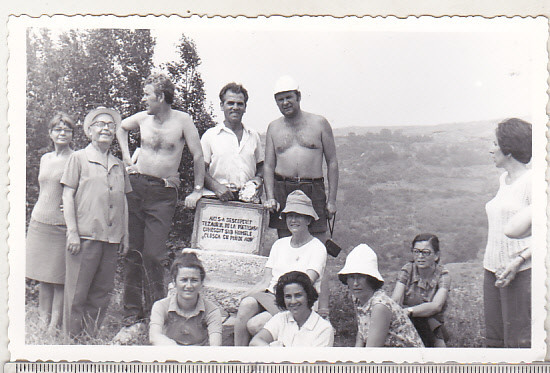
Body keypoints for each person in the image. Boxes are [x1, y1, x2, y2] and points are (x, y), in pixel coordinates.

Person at [116, 73, 205, 328]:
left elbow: (198, 156)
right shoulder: (143, 118)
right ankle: (132, 315)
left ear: (161, 97)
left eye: (147, 95)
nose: (143, 99)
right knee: (133, 252)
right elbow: (121, 127)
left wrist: (197, 189)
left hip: (163, 192)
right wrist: (126, 157)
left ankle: (158, 312)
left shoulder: (183, 120)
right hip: (137, 186)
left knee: (153, 255)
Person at [263, 75, 338, 316]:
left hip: (312, 187)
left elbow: (333, 162)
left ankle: (321, 312)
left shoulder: (319, 123)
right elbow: (268, 166)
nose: (285, 103)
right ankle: (287, 311)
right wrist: (270, 195)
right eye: (280, 99)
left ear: (298, 97)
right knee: (287, 248)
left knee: (319, 248)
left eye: (289, 98)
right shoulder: (273, 128)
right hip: (283, 188)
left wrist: (332, 200)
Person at [61, 107, 131, 339]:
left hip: (111, 239)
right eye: (100, 124)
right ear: (89, 131)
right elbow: (67, 195)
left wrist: (126, 235)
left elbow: (124, 200)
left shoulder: (118, 164)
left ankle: (88, 337)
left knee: (102, 292)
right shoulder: (78, 158)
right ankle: (71, 341)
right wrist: (72, 231)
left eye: (110, 125)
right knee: (77, 292)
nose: (106, 129)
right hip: (85, 236)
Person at [234, 190, 327, 346]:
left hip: (295, 299)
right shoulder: (279, 244)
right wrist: (242, 296)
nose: (293, 220)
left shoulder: (317, 248)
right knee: (245, 305)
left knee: (255, 325)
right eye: (290, 216)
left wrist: (283, 297)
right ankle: (238, 359)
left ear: (308, 220)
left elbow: (306, 283)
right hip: (271, 296)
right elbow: (265, 281)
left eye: (298, 216)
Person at [483, 118, 532, 348]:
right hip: (492, 269)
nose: (490, 149)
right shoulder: (503, 180)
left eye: (495, 143)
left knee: (518, 342)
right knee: (494, 339)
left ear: (509, 149)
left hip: (520, 271)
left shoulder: (533, 182)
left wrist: (519, 261)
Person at [26, 112, 75, 333]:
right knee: (43, 276)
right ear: (50, 133)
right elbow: (46, 188)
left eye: (66, 129)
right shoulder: (45, 158)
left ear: (72, 134)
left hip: (61, 225)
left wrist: (73, 207)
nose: (62, 133)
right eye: (58, 129)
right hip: (39, 222)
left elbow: (78, 190)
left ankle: (54, 325)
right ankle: (42, 320)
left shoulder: (76, 158)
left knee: (58, 278)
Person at [338, 244, 424, 347]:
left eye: (361, 277)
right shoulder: (358, 299)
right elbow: (361, 333)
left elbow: (372, 351)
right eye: (351, 277)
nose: (355, 283)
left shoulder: (379, 305)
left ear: (371, 279)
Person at [201, 82, 263, 202]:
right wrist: (216, 187)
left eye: (240, 104)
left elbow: (261, 166)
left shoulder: (253, 135)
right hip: (217, 199)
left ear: (245, 107)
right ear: (221, 106)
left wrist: (258, 179)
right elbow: (199, 169)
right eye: (230, 103)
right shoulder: (210, 135)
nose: (235, 107)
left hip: (248, 199)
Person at [149, 251, 222, 346]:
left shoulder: (212, 310)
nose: (189, 286)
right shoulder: (161, 306)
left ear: (201, 283)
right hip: (170, 353)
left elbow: (215, 345)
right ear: (174, 282)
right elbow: (154, 336)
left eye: (194, 280)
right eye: (184, 280)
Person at [391, 234, 451, 347]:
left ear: (436, 255)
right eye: (416, 251)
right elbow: (396, 299)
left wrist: (409, 311)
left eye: (426, 252)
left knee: (431, 324)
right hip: (406, 319)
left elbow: (436, 306)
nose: (420, 256)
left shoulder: (443, 275)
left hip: (432, 323)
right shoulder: (408, 270)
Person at [250, 271, 334, 347]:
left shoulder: (323, 328)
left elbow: (314, 362)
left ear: (308, 295)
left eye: (298, 295)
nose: (293, 301)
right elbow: (255, 342)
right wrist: (273, 350)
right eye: (288, 296)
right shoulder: (280, 318)